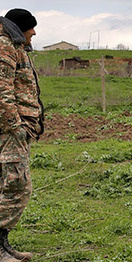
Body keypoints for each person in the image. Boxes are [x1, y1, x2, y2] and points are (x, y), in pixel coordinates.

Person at [0, 8, 45, 261]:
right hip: (9, 130)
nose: (34, 32)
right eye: (31, 27)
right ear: (19, 27)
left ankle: (3, 246)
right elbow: (1, 90)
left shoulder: (14, 46)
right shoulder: (4, 45)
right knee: (17, 187)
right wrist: (14, 126)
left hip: (13, 129)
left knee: (7, 185)